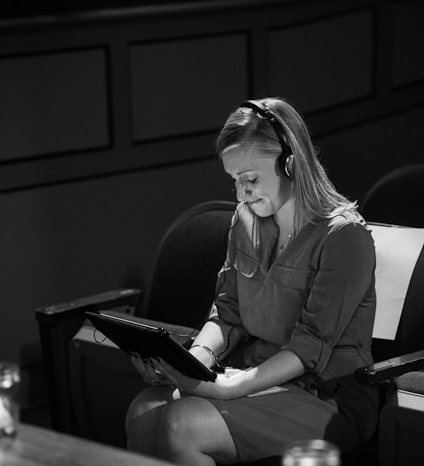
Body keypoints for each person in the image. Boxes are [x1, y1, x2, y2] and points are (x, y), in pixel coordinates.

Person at [125, 97, 378, 465]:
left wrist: (228, 389)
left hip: (326, 396)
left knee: (183, 424)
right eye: (234, 180)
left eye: (251, 179)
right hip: (252, 376)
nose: (241, 193)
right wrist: (189, 364)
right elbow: (228, 313)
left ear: (291, 163)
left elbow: (309, 347)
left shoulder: (344, 236)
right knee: (143, 412)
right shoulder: (245, 220)